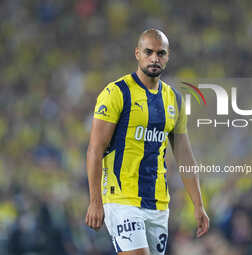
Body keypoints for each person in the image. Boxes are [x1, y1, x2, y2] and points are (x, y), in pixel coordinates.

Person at [85, 28, 209, 255]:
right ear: (137, 54)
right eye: (149, 52)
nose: (154, 58)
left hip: (158, 203)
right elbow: (95, 149)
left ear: (168, 56)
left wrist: (198, 205)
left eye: (161, 53)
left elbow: (184, 156)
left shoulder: (174, 99)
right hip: (121, 199)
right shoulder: (117, 93)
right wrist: (95, 201)